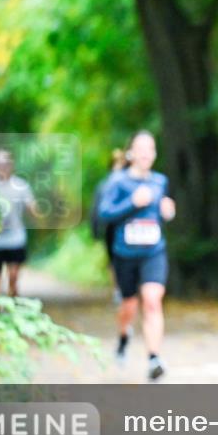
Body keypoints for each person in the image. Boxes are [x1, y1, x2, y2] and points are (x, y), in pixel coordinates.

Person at [98, 131, 175, 381]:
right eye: (140, 148)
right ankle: (123, 336)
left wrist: (167, 211)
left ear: (154, 154)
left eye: (150, 148)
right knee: (129, 305)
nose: (145, 153)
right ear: (130, 153)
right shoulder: (117, 182)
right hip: (125, 253)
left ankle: (154, 358)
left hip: (154, 251)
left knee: (152, 299)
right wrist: (132, 202)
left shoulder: (160, 181)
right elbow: (104, 213)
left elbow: (161, 213)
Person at [0, 149, 40, 297]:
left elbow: (32, 206)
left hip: (15, 237)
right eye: (0, 164)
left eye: (6, 164)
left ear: (11, 165)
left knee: (13, 277)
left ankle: (13, 307)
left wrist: (37, 213)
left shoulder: (21, 185)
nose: (3, 167)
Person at [91, 149, 130, 357]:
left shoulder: (128, 181)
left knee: (120, 258)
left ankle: (123, 288)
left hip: (124, 228)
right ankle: (117, 288)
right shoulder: (104, 185)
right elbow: (97, 208)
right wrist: (95, 228)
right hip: (109, 227)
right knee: (112, 260)